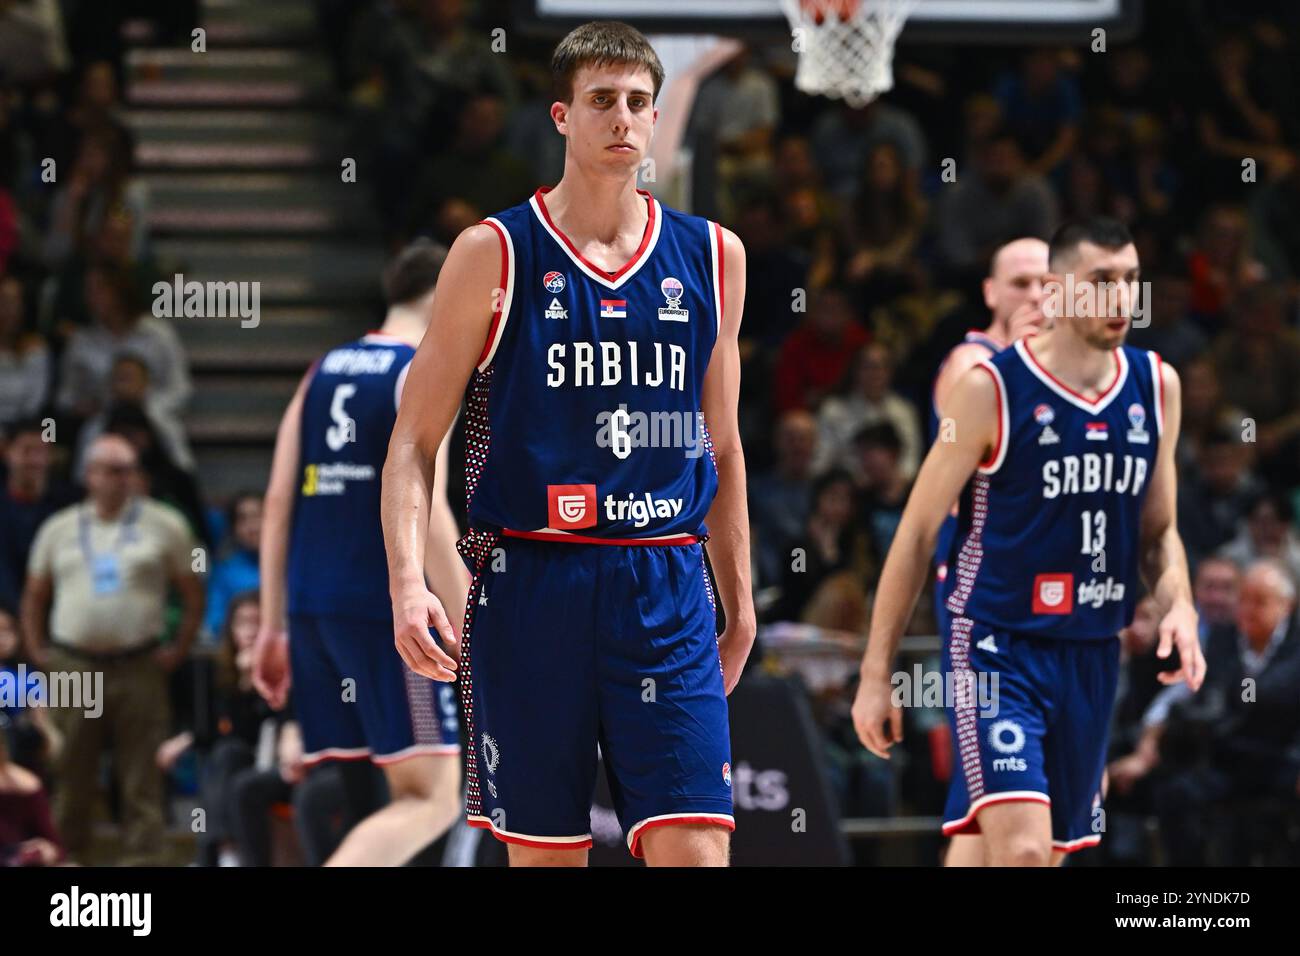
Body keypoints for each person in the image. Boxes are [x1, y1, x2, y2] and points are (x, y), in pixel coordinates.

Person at [380, 21, 754, 867]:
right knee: (548, 858)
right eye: (600, 101)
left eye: (636, 103)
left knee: (697, 851)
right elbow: (414, 440)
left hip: (665, 581)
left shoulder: (714, 257)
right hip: (530, 582)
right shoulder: (493, 253)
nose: (621, 118)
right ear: (561, 116)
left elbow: (723, 448)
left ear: (656, 119)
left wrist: (742, 599)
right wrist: (409, 579)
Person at [852, 217, 1205, 866]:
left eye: (1130, 281)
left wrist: (1179, 603)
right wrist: (877, 675)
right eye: (1101, 282)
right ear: (1058, 290)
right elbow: (916, 531)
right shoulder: (990, 387)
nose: (1121, 299)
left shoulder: (1158, 387)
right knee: (1022, 852)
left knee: (1024, 847)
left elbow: (1158, 534)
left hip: (1093, 650)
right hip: (995, 642)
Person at [252, 239, 465, 867]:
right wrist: (477, 619)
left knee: (379, 794)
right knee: (432, 798)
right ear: (446, 295)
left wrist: (271, 626)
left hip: (312, 612)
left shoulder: (324, 367)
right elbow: (430, 515)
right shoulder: (420, 368)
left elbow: (275, 502)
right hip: (387, 616)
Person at [20, 434, 203, 864]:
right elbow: (34, 596)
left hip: (139, 662)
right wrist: (37, 651)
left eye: (130, 470)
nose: (124, 479)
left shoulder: (166, 523)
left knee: (142, 772)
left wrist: (178, 648)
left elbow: (193, 591)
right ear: (90, 475)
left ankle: (144, 860)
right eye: (113, 470)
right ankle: (64, 856)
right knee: (69, 767)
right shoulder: (59, 526)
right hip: (71, 662)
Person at [928, 238, 1049, 649]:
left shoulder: (1063, 373)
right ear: (990, 292)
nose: (1035, 295)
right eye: (1021, 283)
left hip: (1045, 571)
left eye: (1046, 283)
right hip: (982, 577)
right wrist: (1018, 358)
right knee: (981, 710)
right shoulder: (973, 361)